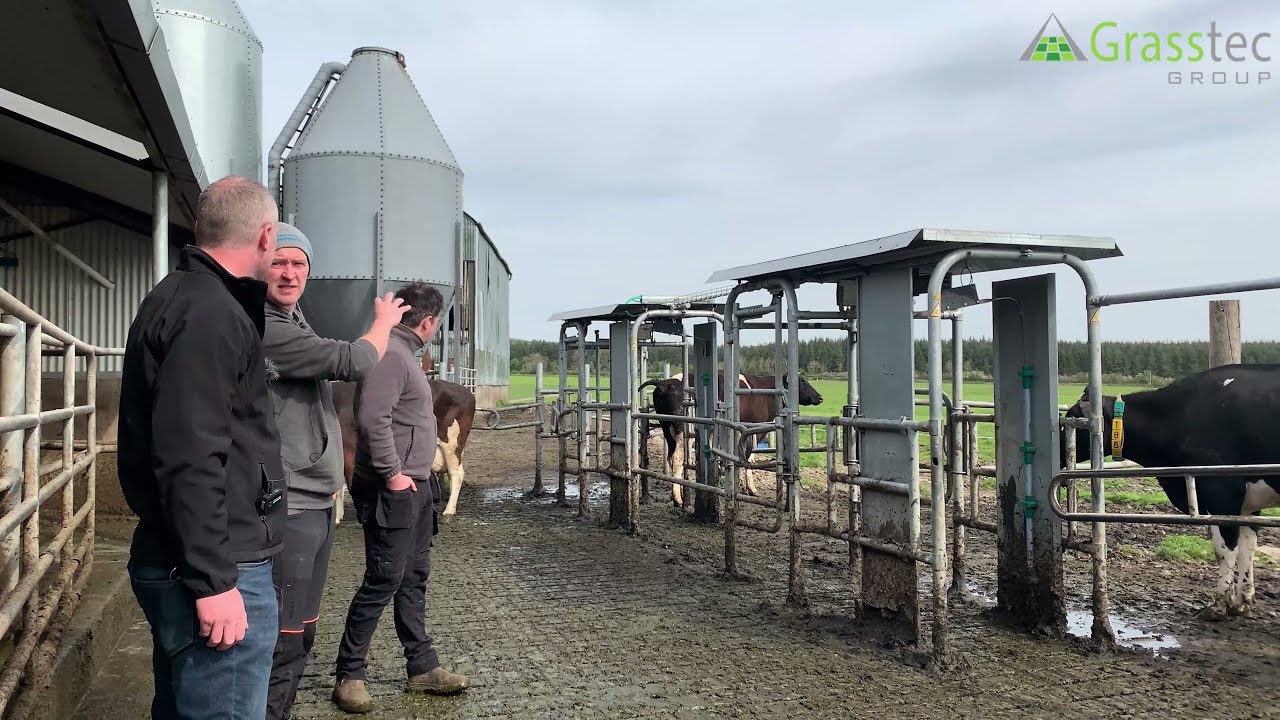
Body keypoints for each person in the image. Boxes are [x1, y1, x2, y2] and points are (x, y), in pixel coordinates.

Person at [117, 176, 285, 719]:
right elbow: (189, 453)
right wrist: (213, 581)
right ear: (265, 236)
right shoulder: (212, 315)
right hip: (214, 565)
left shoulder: (180, 297)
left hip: (182, 553)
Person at [261, 222, 410, 718]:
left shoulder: (293, 319)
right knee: (282, 640)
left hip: (317, 498)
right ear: (260, 263)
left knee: (302, 632)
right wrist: (384, 321)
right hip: (290, 500)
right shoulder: (267, 326)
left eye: (298, 264)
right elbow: (353, 360)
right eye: (279, 262)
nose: (288, 273)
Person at [331, 281, 469, 714]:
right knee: (384, 579)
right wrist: (392, 475)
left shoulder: (402, 353)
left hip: (416, 486)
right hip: (394, 488)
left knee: (413, 576)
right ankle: (349, 675)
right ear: (428, 322)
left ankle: (422, 668)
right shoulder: (392, 354)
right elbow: (372, 418)